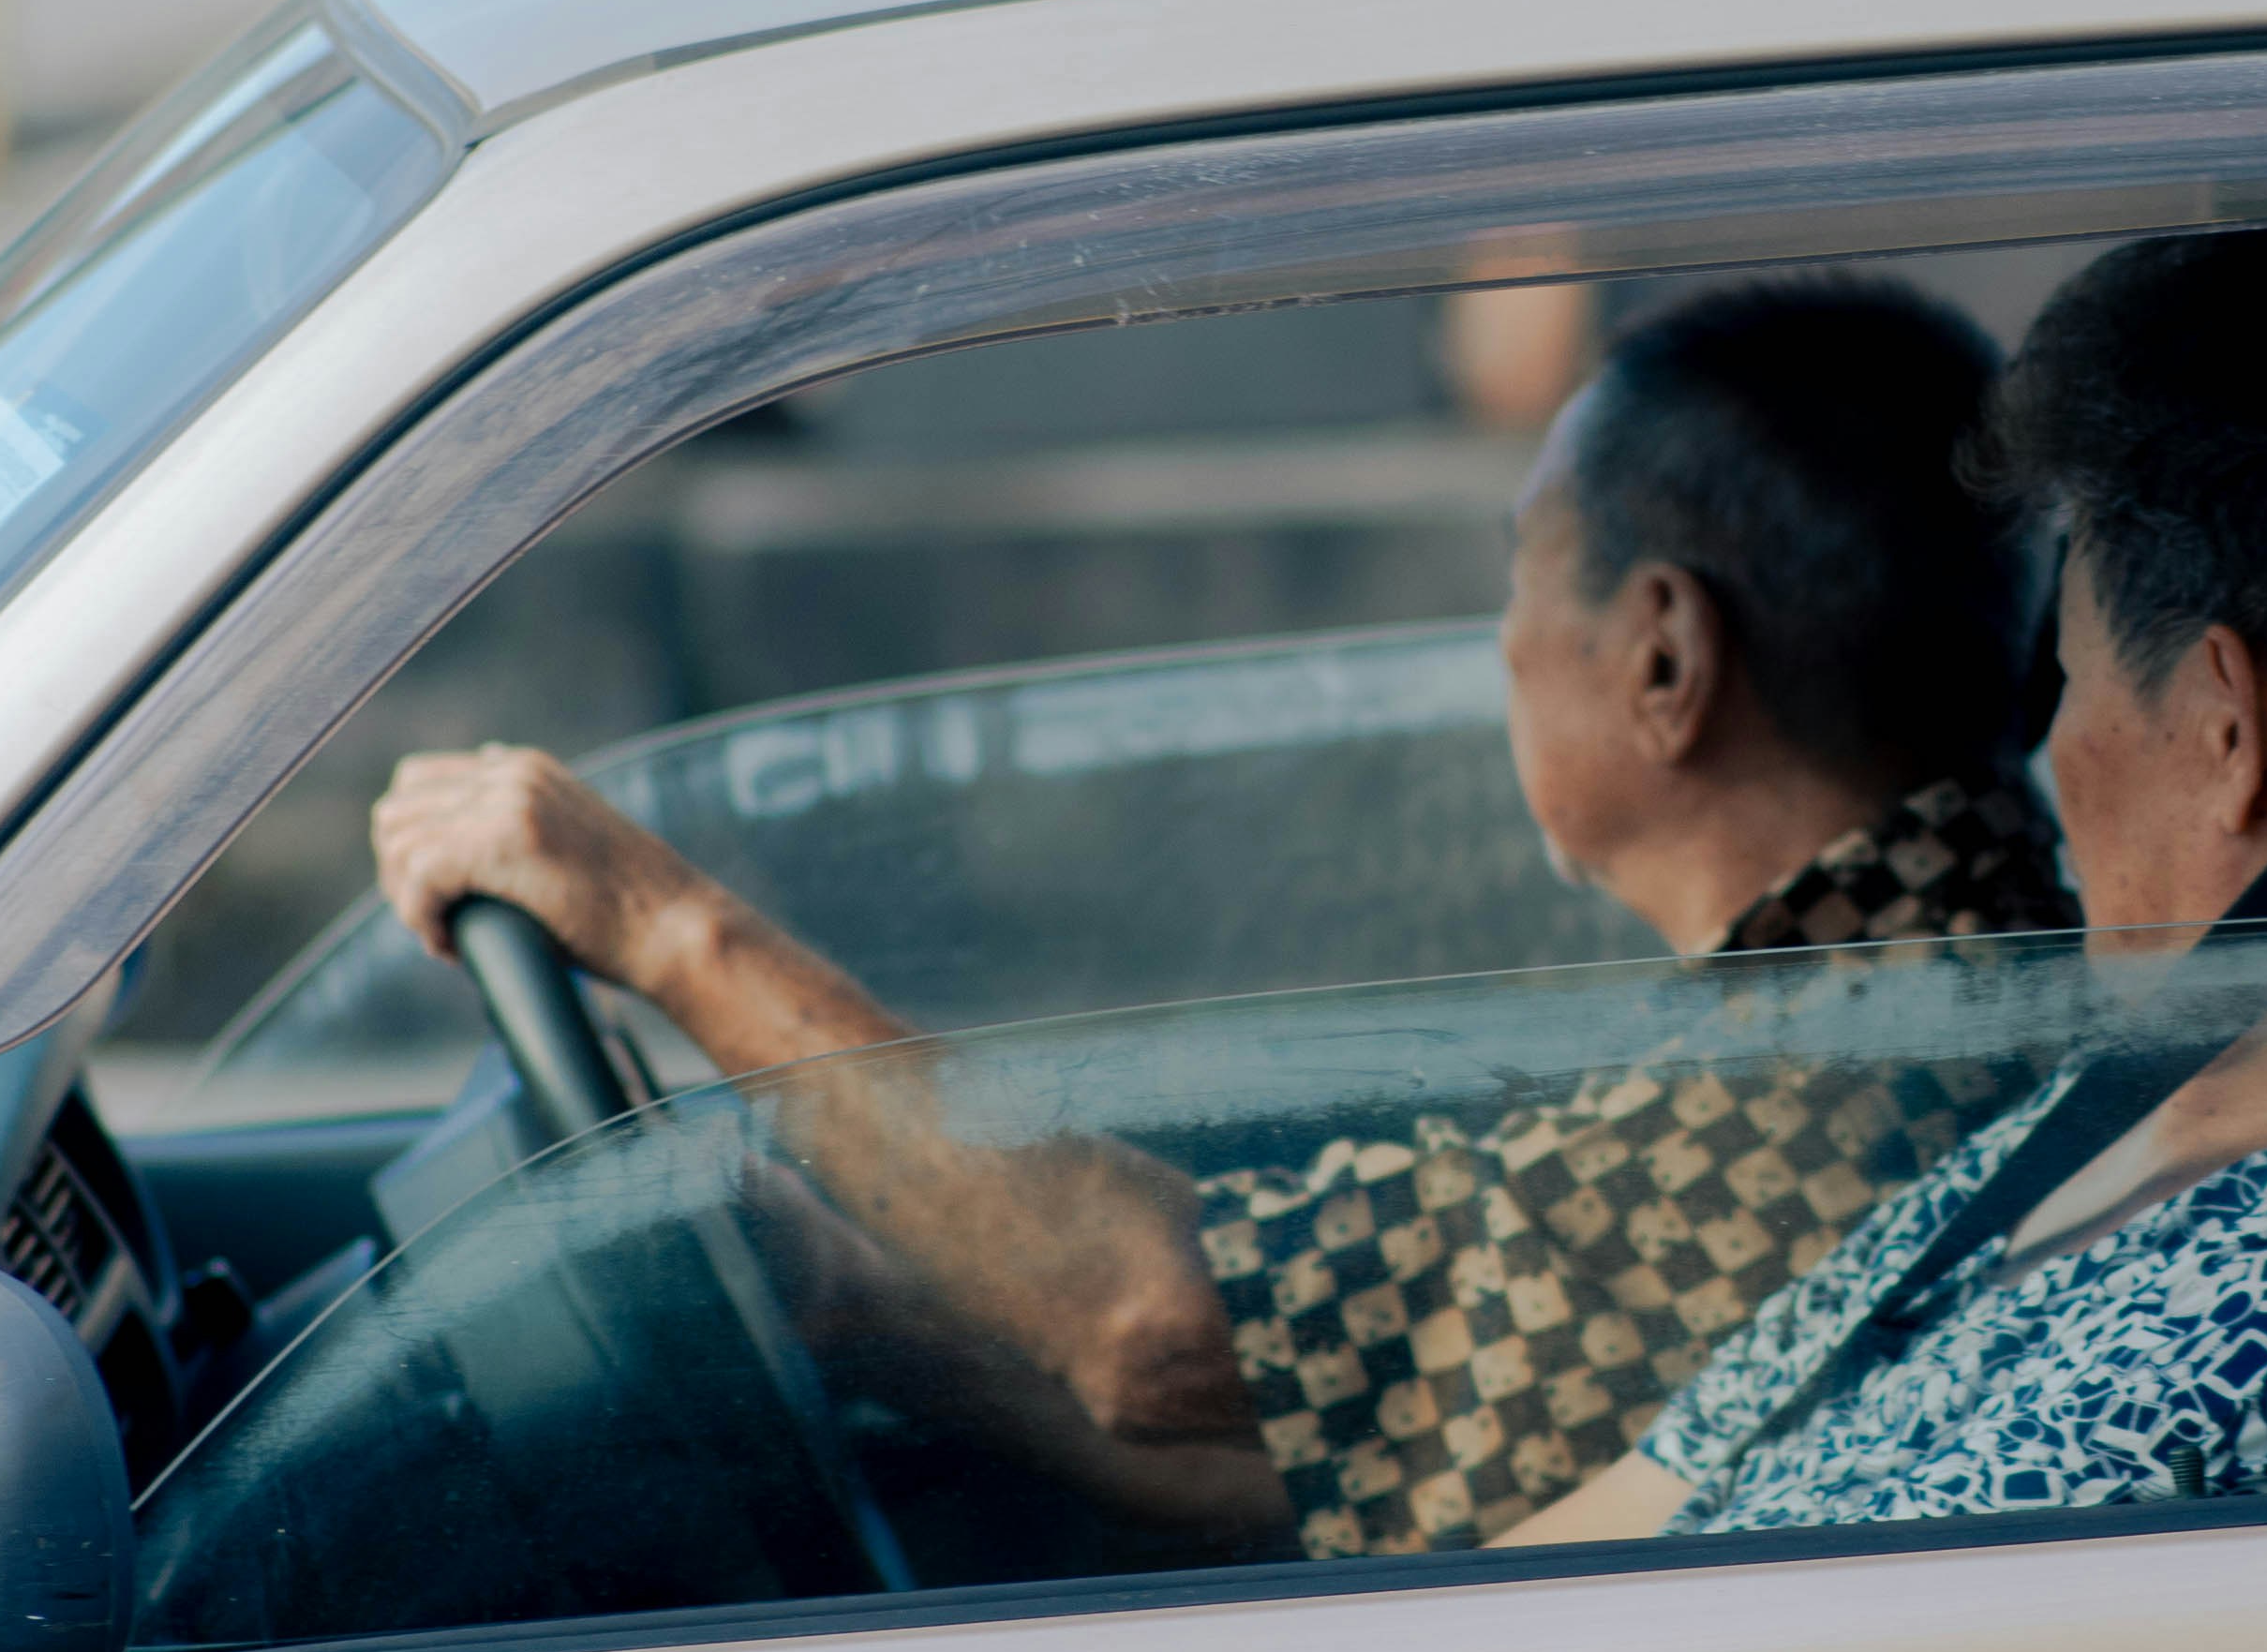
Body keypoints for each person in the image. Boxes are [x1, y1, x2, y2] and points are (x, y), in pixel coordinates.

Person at [367, 275, 2070, 1550]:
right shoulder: (1916, 990)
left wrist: (663, 929)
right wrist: (866, 1312)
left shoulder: (1833, 1083)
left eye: (1518, 575)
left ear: (1662, 659)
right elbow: (1338, 1423)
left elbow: (1164, 1325)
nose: (1495, 644)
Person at [1501, 219, 2267, 1550]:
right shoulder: (2107, 1122)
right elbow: (1635, 1506)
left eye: (2075, 678)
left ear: (2226, 732)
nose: (2045, 756)